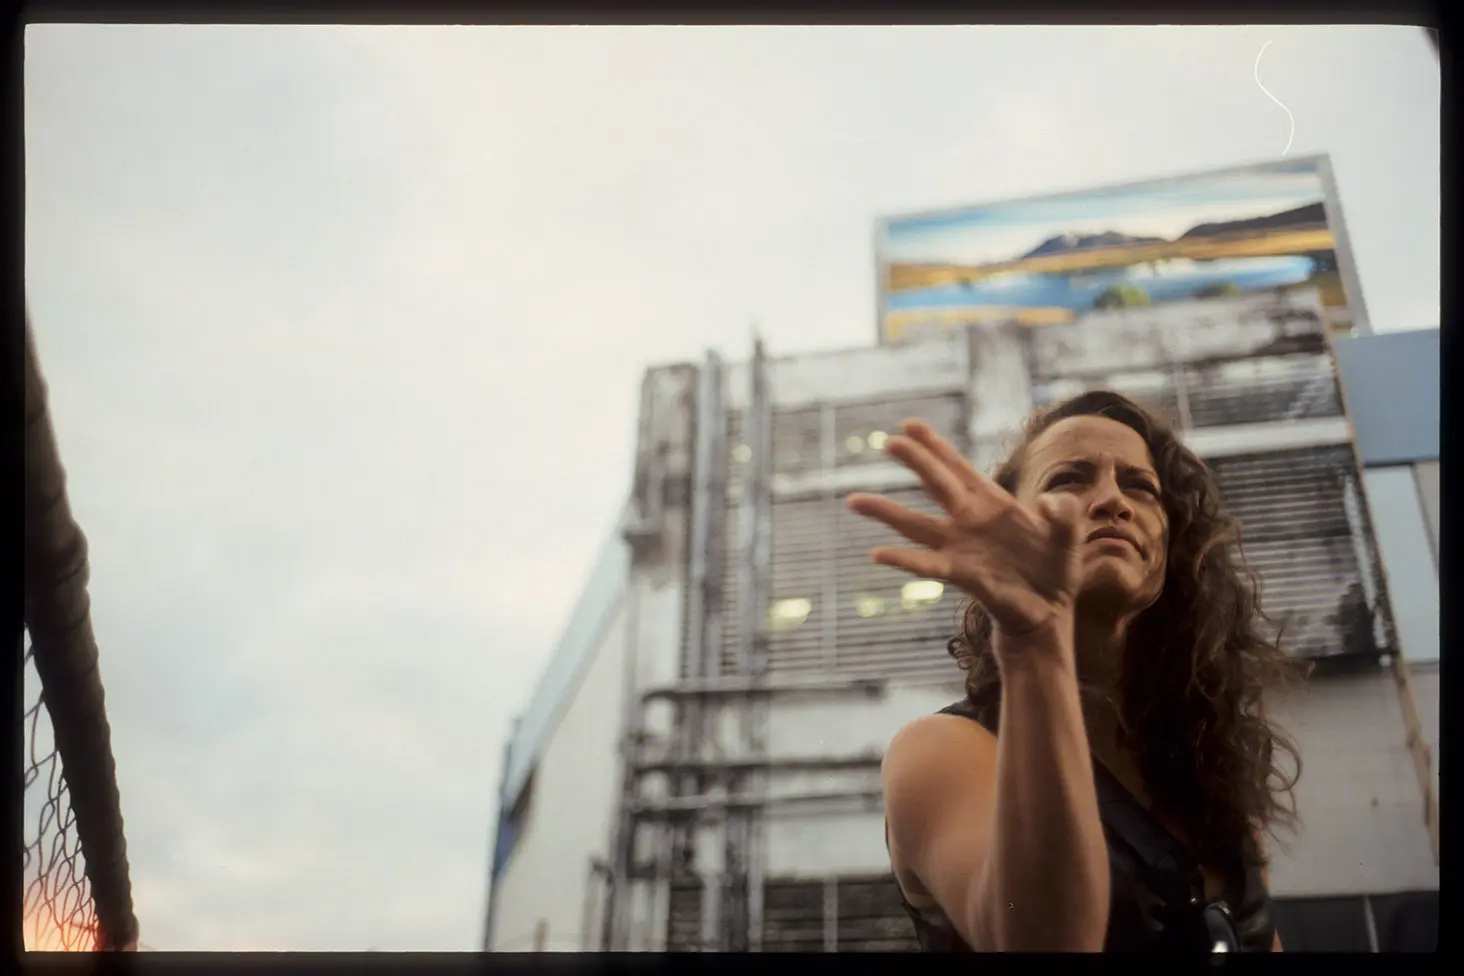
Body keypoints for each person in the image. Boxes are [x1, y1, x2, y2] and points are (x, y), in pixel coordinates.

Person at [846, 390, 1304, 953]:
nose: (1112, 500)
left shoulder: (1208, 774)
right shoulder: (937, 751)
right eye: (1069, 480)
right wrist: (1036, 636)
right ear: (1009, 522)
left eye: (1141, 486)